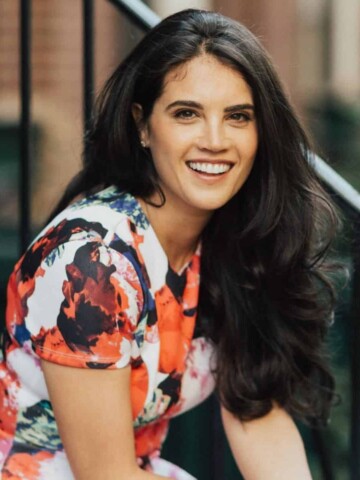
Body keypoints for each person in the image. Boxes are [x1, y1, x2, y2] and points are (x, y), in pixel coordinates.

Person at [0, 8, 339, 480]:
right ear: (142, 125)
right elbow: (106, 475)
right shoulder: (92, 259)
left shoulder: (238, 242)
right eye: (187, 114)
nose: (216, 140)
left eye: (238, 117)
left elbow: (256, 413)